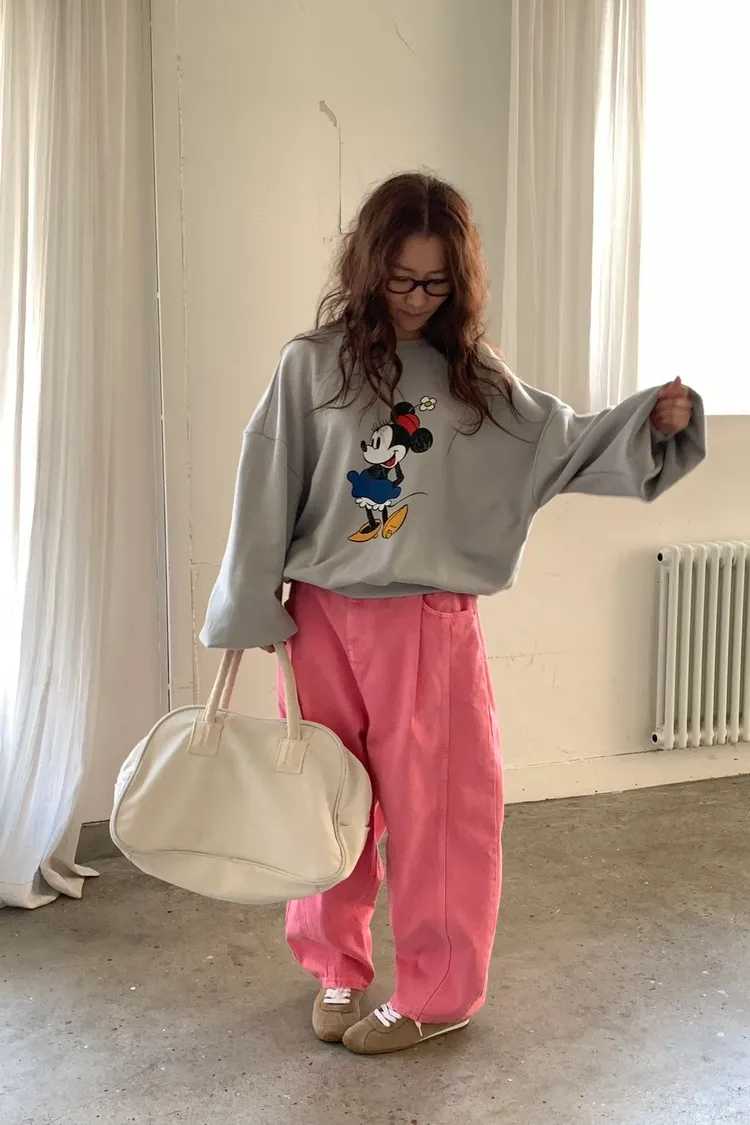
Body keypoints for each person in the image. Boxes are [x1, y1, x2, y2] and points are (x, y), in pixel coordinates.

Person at [200, 173, 705, 1056]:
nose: (416, 299)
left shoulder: (475, 378)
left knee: (440, 811)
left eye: (435, 283)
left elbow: (562, 443)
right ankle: (335, 963)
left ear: (458, 281)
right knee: (321, 797)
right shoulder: (310, 364)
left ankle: (438, 991)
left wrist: (653, 426)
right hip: (319, 617)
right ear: (368, 268)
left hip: (426, 620)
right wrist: (252, 602)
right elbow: (266, 479)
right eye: (401, 279)